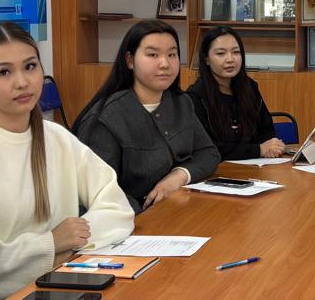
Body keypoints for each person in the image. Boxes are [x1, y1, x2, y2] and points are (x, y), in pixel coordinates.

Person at [0, 22, 134, 300]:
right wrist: (49, 246)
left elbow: (117, 207)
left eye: (30, 67)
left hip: (56, 287)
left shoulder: (57, 137)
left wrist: (69, 247)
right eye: (4, 72)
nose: (23, 82)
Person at [73, 19, 219, 210]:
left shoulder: (181, 102)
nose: (165, 63)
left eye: (172, 54)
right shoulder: (106, 118)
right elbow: (99, 192)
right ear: (130, 60)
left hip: (179, 209)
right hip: (132, 220)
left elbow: (208, 153)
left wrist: (179, 175)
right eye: (152, 54)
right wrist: (145, 216)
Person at [187, 26, 286, 162]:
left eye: (236, 52)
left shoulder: (250, 87)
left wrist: (272, 146)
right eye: (221, 53)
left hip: (257, 167)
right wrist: (258, 150)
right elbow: (208, 148)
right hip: (217, 170)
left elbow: (266, 131)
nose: (230, 59)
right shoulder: (195, 98)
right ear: (206, 59)